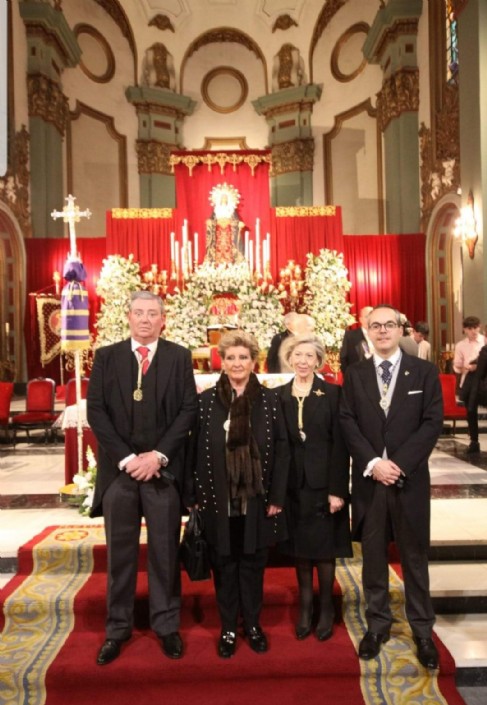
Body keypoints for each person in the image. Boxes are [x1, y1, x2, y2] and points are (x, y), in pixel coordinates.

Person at [87, 290, 198, 666]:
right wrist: (128, 459)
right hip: (120, 474)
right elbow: (96, 412)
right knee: (120, 556)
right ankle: (117, 629)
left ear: (163, 319)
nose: (146, 319)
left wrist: (158, 456)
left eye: (153, 313)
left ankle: (166, 626)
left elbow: (187, 410)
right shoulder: (106, 357)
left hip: (162, 472)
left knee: (165, 554)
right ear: (128, 316)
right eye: (139, 313)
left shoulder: (178, 356)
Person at [339, 304, 443, 670]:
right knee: (373, 558)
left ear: (401, 329)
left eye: (389, 325)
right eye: (375, 326)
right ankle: (377, 624)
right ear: (367, 331)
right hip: (370, 480)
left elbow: (432, 422)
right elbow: (347, 421)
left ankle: (422, 630)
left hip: (408, 480)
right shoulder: (355, 374)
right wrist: (373, 463)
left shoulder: (424, 372)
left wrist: (399, 465)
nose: (382, 331)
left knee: (414, 557)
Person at [188, 330, 289, 658]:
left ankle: (254, 625)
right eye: (230, 357)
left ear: (253, 360)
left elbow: (283, 449)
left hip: (256, 498)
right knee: (225, 565)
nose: (236, 363)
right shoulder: (205, 403)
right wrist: (194, 495)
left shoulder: (270, 401)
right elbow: (193, 450)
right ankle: (229, 627)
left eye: (243, 357)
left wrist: (276, 496)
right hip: (218, 498)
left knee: (253, 564)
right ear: (222, 360)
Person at [276, 334, 352, 642]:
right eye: (298, 355)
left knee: (324, 551)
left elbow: (341, 445)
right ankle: (305, 608)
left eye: (309, 356)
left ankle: (326, 609)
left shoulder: (333, 394)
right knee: (301, 551)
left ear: (318, 361)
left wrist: (338, 489)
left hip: (324, 486)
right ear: (290, 359)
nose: (303, 361)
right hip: (294, 485)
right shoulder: (278, 395)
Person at [459, 343, 487, 454]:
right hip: (478, 386)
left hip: (480, 387)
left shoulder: (485, 349)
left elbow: (479, 373)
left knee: (471, 411)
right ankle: (474, 442)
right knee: (471, 412)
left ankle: (474, 442)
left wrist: (476, 365)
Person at [453, 316, 485, 390]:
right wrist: (465, 368)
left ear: (479, 327)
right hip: (467, 382)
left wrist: (477, 367)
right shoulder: (460, 345)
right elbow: (457, 366)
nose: (473, 331)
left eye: (475, 327)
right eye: (470, 329)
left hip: (483, 383)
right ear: (465, 330)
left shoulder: (484, 341)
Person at [339, 306, 374, 373]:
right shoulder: (350, 336)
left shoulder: (381, 334)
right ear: (360, 319)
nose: (370, 319)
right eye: (367, 316)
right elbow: (343, 359)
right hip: (358, 377)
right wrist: (349, 378)